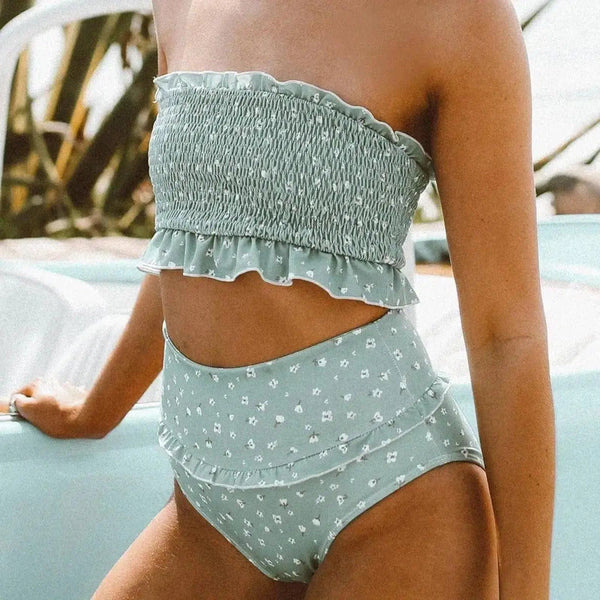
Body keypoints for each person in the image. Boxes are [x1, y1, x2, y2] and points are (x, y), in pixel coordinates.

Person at [10, 1, 555, 598]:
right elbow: (191, 236)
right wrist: (96, 411)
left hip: (392, 499)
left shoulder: (459, 14)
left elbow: (506, 337)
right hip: (210, 510)